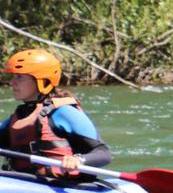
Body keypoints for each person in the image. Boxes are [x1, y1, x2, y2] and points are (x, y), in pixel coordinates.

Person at [2, 48, 111, 179]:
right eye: (13, 77)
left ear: (42, 80)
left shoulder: (64, 112)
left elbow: (103, 154)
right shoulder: (20, 115)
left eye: (20, 77)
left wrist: (78, 160)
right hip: (26, 183)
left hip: (64, 187)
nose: (12, 82)